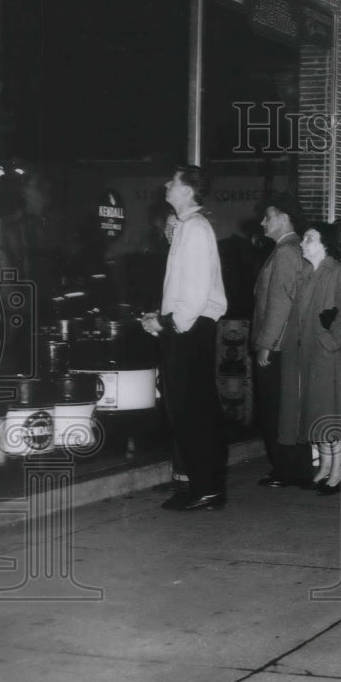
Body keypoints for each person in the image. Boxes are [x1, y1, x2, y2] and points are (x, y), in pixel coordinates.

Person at [140, 166, 229, 512]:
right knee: (194, 410)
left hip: (188, 330)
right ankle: (203, 485)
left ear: (189, 190)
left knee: (191, 411)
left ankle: (205, 488)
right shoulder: (188, 228)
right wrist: (163, 319)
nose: (166, 184)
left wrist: (167, 324)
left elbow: (193, 293)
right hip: (189, 327)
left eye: (173, 182)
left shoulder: (194, 229)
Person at [278, 223, 341, 496]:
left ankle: (337, 472)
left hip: (332, 357)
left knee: (331, 414)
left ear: (325, 243)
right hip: (309, 355)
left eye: (309, 239)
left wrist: (328, 343)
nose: (303, 244)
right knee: (317, 413)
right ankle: (324, 467)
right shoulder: (307, 274)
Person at [252, 194, 311, 489]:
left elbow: (280, 302)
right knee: (286, 409)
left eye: (268, 216)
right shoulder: (290, 249)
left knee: (277, 410)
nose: (263, 222)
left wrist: (266, 343)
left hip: (277, 346)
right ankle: (292, 468)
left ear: (284, 218)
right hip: (286, 344)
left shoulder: (286, 251)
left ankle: (288, 469)